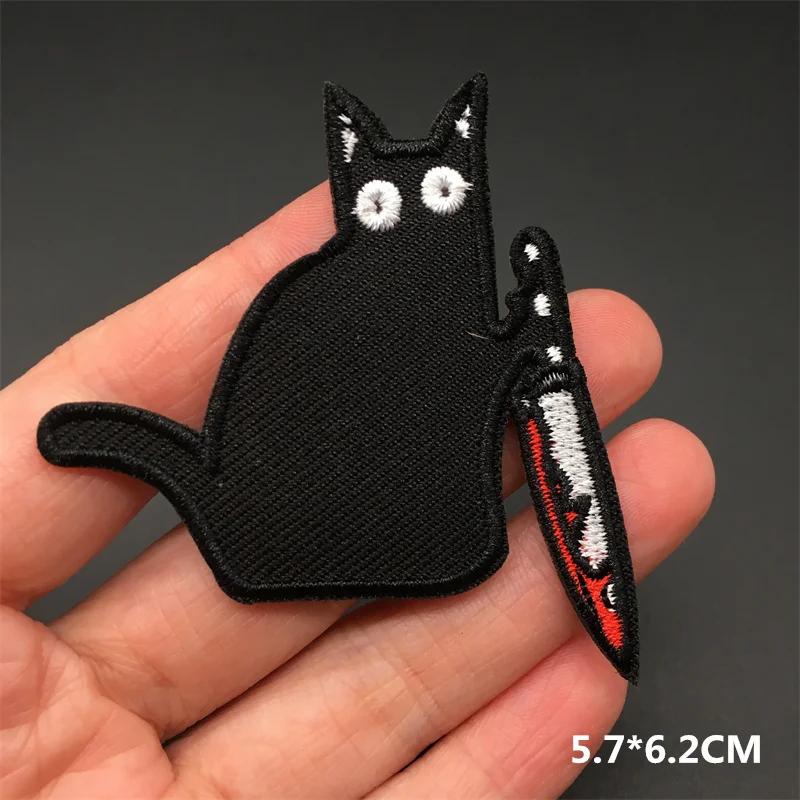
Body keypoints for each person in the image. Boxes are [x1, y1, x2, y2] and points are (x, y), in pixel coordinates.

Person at [0, 184, 714, 799]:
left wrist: (516, 347)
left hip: (324, 533)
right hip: (293, 530)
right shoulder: (350, 300)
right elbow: (451, 379)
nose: (420, 227)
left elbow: (453, 383)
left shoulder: (407, 300)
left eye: (442, 196)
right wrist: (523, 344)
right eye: (388, 205)